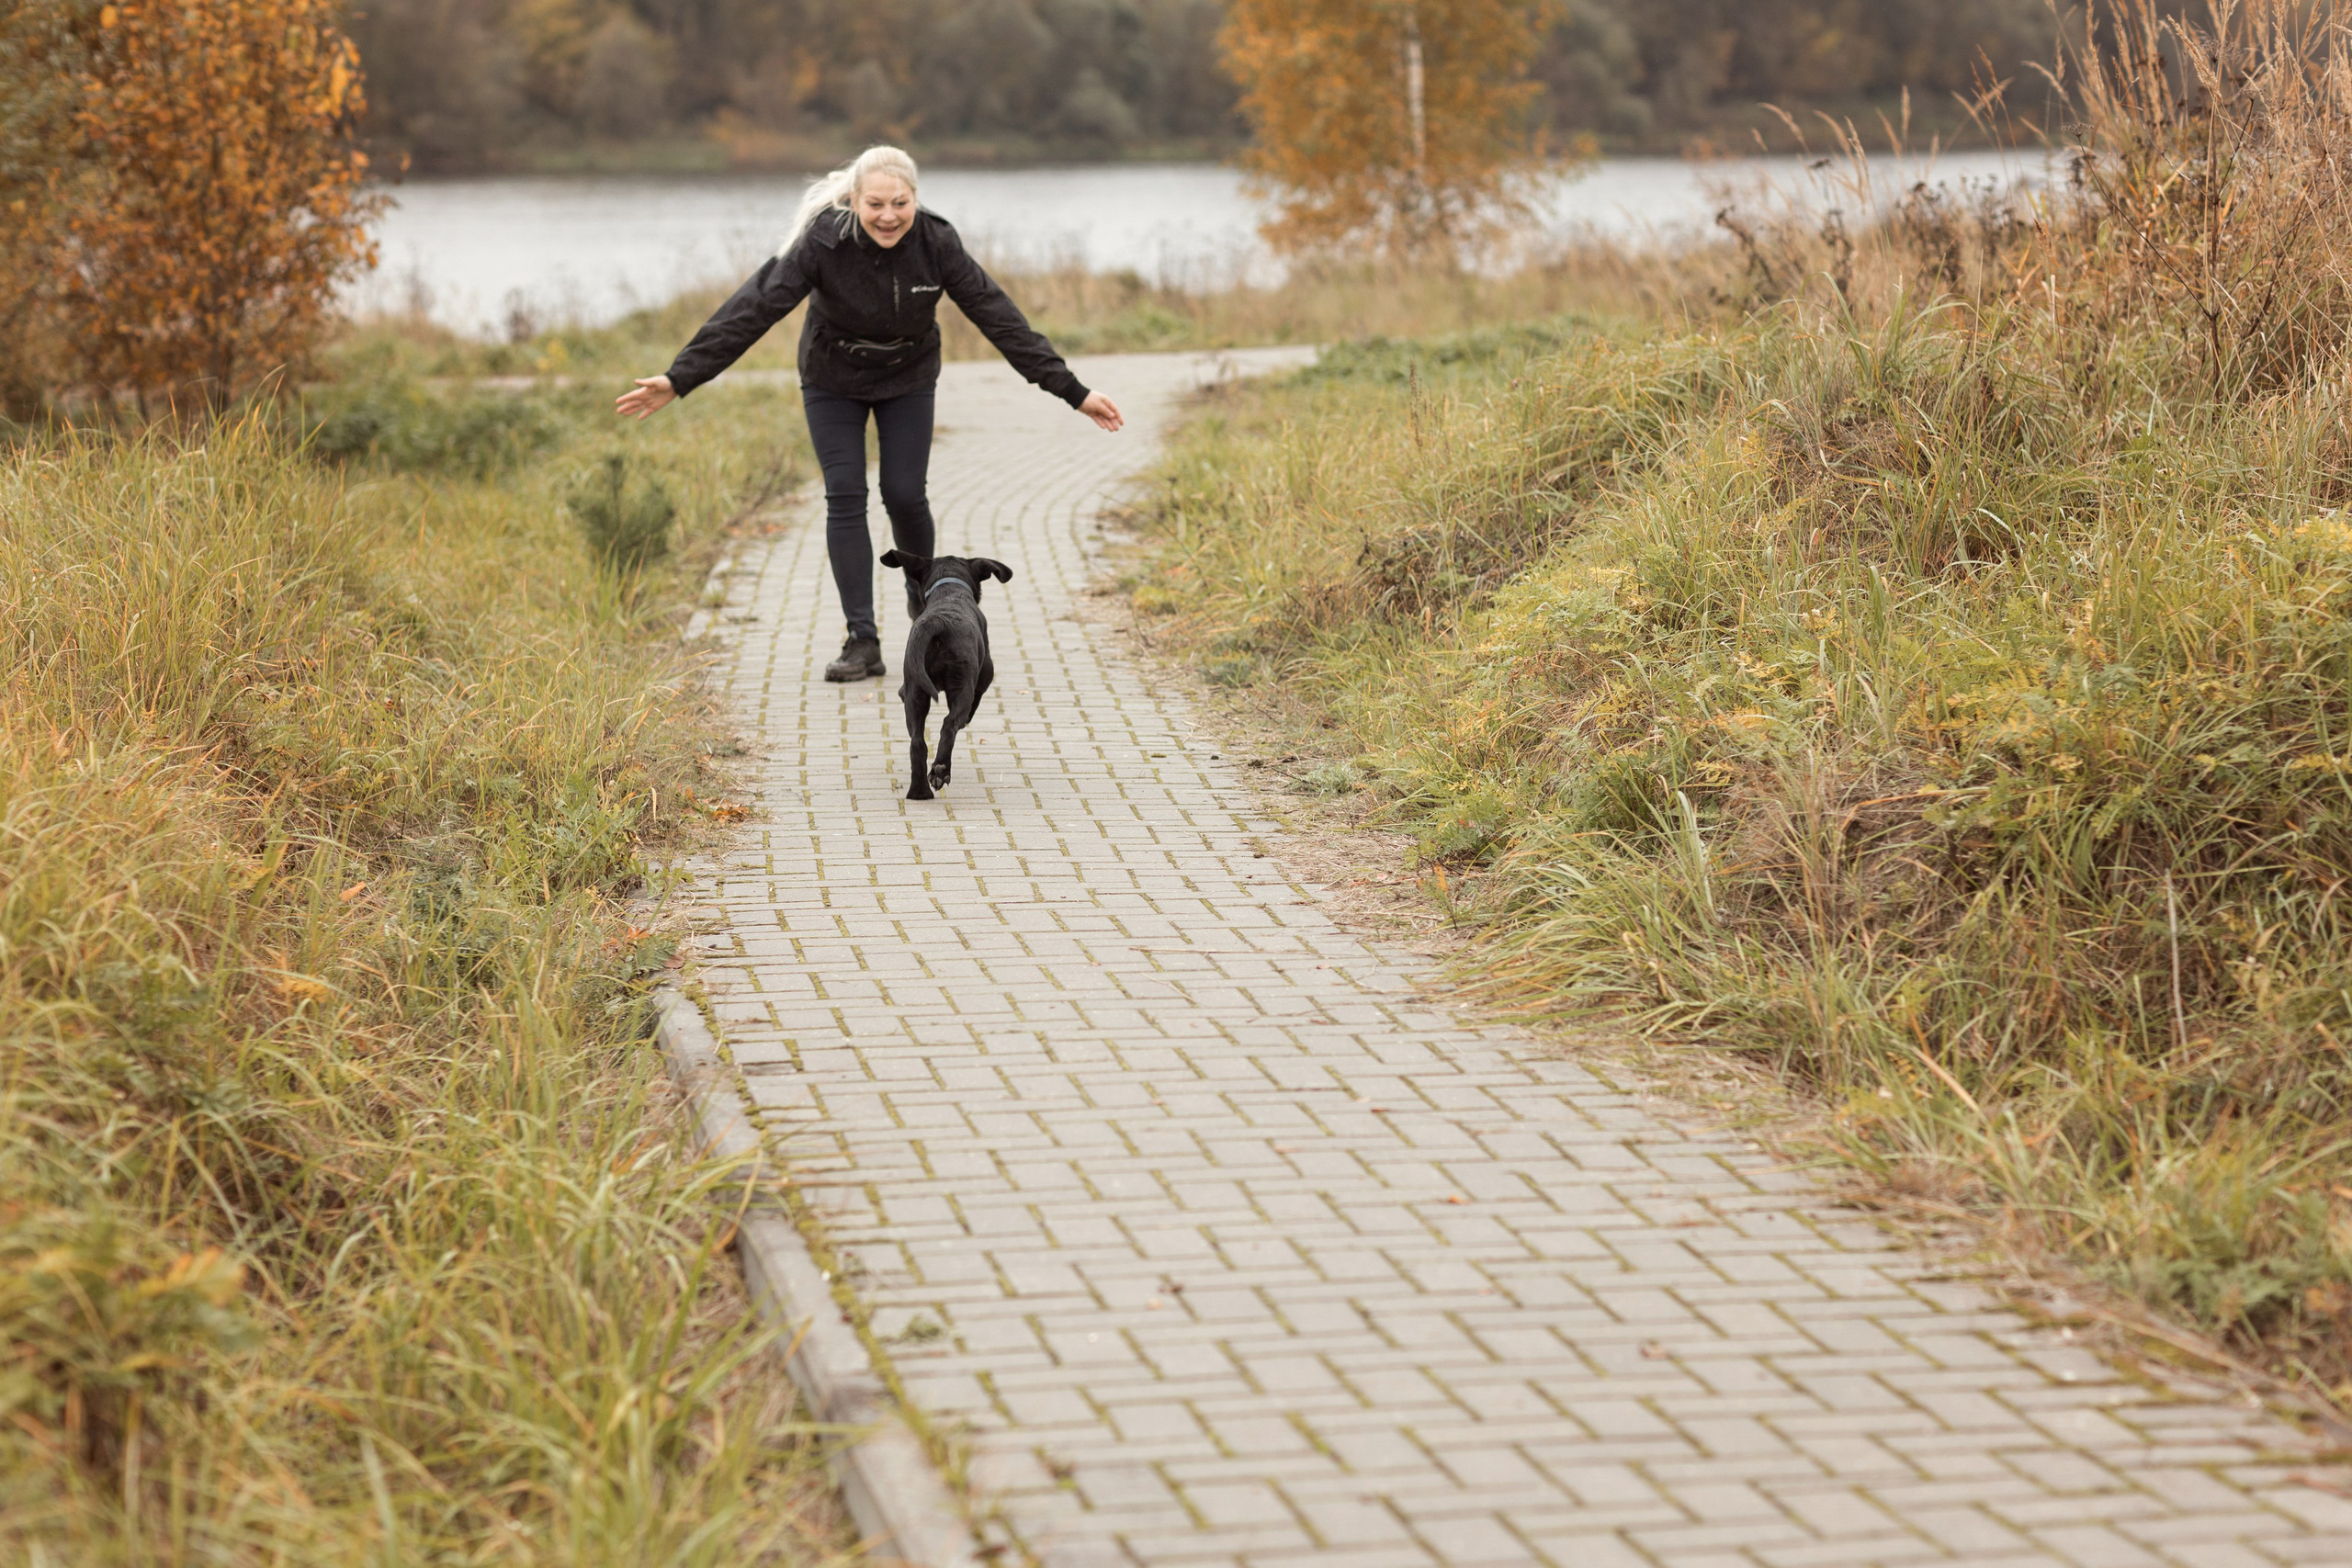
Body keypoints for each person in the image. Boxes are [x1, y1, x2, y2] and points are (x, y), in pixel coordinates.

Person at [615, 145, 1124, 681]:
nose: (888, 216)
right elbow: (755, 307)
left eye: (900, 203)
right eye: (875, 204)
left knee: (904, 493)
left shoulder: (936, 242)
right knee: (845, 493)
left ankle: (924, 600)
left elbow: (999, 318)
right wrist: (681, 376)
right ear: (854, 200)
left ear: (915, 199)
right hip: (832, 378)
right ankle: (862, 640)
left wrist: (1073, 391)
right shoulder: (822, 242)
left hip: (908, 377)